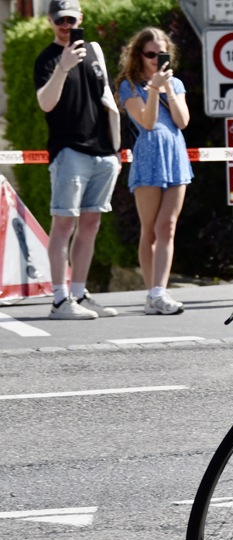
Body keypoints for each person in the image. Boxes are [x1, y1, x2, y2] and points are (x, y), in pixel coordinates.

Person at [34, 0, 121, 319]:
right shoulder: (47, 59)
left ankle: (80, 293)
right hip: (69, 151)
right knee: (63, 224)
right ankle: (60, 300)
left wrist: (115, 148)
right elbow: (46, 103)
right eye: (60, 20)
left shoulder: (94, 52)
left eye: (71, 20)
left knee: (91, 224)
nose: (66, 26)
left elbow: (105, 98)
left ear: (80, 19)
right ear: (50, 21)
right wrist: (63, 66)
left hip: (103, 152)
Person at [116, 27, 192, 315]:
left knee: (167, 226)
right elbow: (147, 123)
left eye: (162, 54)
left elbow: (182, 121)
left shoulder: (177, 83)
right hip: (148, 157)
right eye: (150, 54)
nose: (156, 59)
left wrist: (168, 88)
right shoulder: (130, 86)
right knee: (149, 229)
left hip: (175, 155)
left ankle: (160, 291)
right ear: (139, 55)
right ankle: (152, 293)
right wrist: (154, 90)